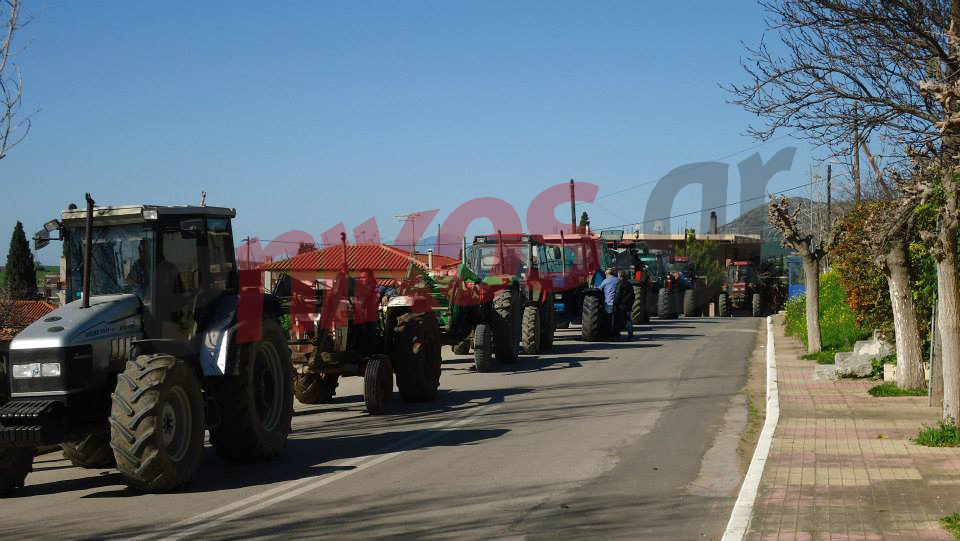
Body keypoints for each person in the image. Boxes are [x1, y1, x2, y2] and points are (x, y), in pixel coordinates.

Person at [614, 270, 635, 340]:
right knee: (628, 320)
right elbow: (633, 295)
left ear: (619, 276)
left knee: (618, 320)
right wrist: (631, 303)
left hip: (621, 305)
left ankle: (617, 335)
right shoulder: (629, 284)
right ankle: (630, 334)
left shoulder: (619, 284)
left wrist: (615, 303)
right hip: (628, 305)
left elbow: (618, 295)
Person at [599, 268, 619, 337]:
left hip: (609, 302)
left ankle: (609, 334)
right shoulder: (617, 280)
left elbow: (599, 289)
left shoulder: (606, 281)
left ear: (607, 274)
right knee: (616, 319)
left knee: (608, 319)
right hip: (617, 302)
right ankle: (616, 333)